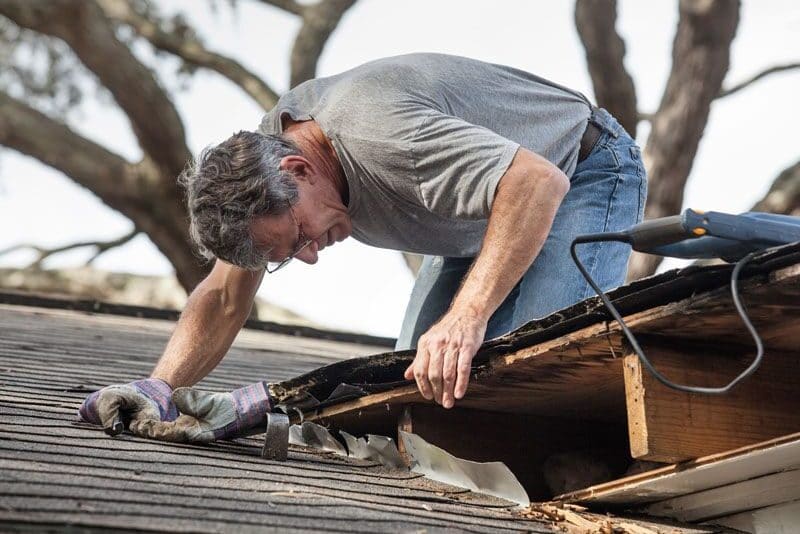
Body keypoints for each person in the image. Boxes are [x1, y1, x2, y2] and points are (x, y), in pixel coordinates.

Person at [78, 53, 646, 442]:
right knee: (418, 397)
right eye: (287, 256)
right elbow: (225, 296)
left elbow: (535, 183)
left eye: (299, 237)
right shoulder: (259, 172)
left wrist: (467, 317)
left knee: (539, 378)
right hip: (477, 217)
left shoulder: (381, 135)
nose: (310, 255)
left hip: (582, 170)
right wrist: (159, 388)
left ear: (299, 169)